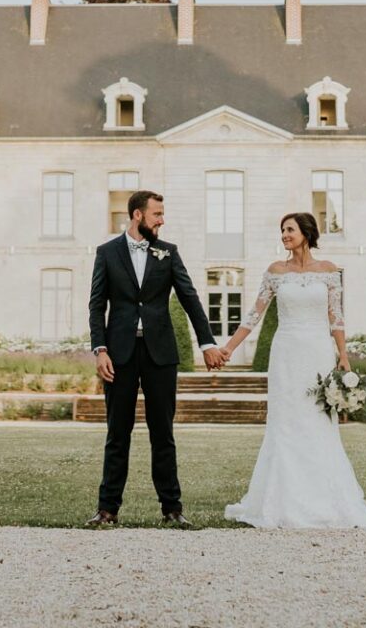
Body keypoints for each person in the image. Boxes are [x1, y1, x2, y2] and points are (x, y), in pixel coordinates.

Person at [219, 212, 366, 528]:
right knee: (286, 421)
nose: (284, 235)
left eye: (289, 229)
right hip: (286, 353)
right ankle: (280, 500)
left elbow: (336, 317)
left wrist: (343, 355)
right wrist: (229, 347)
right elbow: (254, 315)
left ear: (306, 233)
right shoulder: (275, 272)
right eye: (281, 230)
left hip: (318, 352)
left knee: (318, 420)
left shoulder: (328, 271)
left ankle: (326, 500)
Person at [85, 190, 226, 528]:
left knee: (163, 433)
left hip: (160, 354)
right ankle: (107, 510)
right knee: (117, 433)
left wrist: (207, 343)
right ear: (137, 215)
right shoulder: (107, 253)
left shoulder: (168, 252)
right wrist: (100, 349)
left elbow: (189, 297)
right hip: (118, 355)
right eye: (157, 214)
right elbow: (96, 305)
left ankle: (172, 509)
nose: (162, 220)